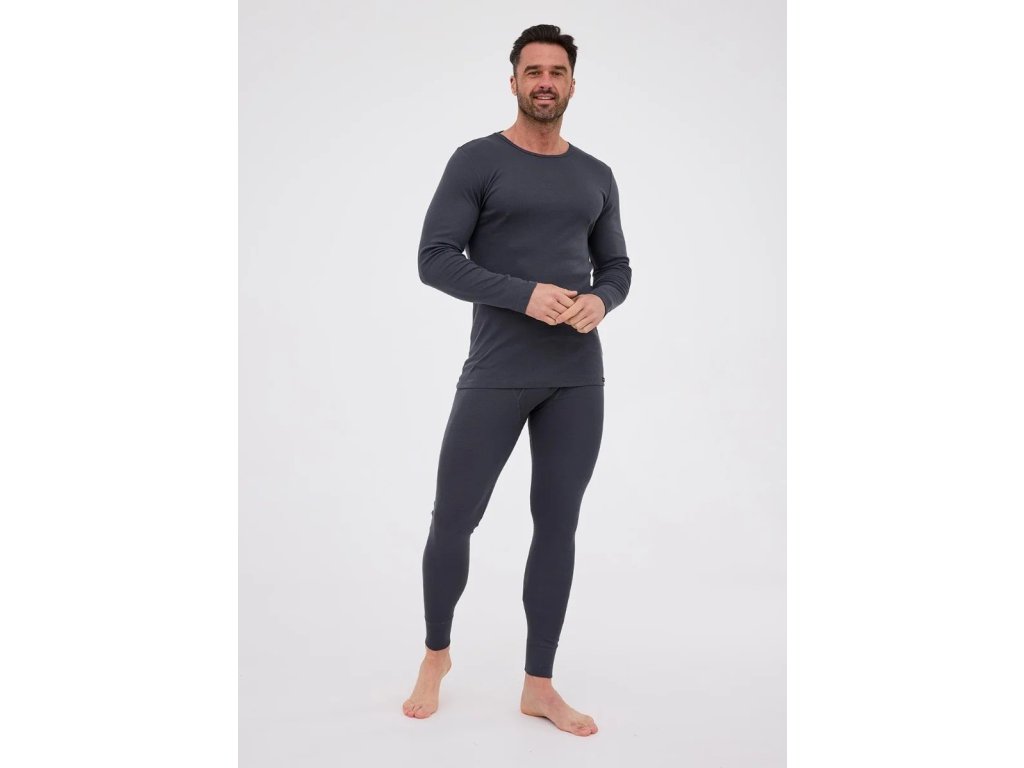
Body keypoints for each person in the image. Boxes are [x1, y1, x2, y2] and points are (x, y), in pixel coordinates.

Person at [402, 24, 631, 737]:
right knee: (453, 518)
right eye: (533, 71)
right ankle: (436, 654)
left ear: (572, 84)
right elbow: (435, 258)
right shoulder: (477, 160)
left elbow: (617, 268)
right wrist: (523, 294)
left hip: (576, 378)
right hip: (497, 372)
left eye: (556, 71)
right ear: (513, 82)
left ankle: (539, 685)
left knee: (557, 526)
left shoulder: (595, 174)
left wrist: (602, 300)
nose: (545, 81)